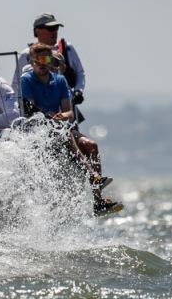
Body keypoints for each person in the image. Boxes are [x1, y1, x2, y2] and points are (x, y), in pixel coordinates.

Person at [20, 43, 122, 216]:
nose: (42, 63)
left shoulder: (60, 80)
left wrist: (62, 116)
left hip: (59, 126)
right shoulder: (26, 79)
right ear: (32, 61)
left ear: (51, 60)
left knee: (91, 146)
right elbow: (29, 109)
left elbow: (69, 113)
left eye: (46, 59)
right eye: (38, 60)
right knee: (64, 132)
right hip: (38, 130)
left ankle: (98, 203)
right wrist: (49, 117)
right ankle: (93, 176)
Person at [13, 12, 87, 114]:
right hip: (36, 110)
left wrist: (78, 91)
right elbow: (16, 85)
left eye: (56, 28)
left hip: (66, 107)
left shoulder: (67, 49)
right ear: (37, 31)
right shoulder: (26, 55)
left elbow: (80, 73)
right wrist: (22, 109)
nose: (54, 32)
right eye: (50, 29)